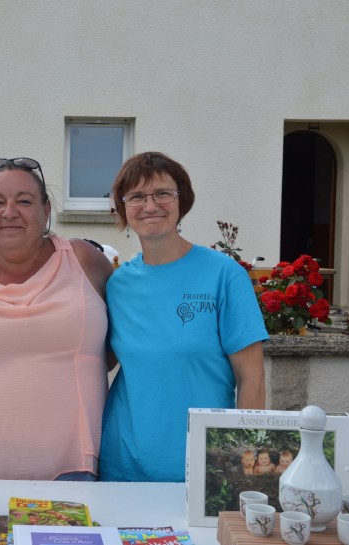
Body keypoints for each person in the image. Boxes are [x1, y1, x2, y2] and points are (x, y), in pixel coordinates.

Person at [0, 157, 114, 481]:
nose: (9, 212)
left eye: (24, 201)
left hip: (75, 469)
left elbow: (118, 349)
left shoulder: (85, 261)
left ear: (46, 210)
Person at [100, 151, 267, 482]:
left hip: (205, 467)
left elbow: (252, 380)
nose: (150, 206)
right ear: (123, 208)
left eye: (162, 193)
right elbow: (101, 362)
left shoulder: (223, 275)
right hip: (123, 464)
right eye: (136, 197)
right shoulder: (118, 284)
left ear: (182, 201)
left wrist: (245, 463)